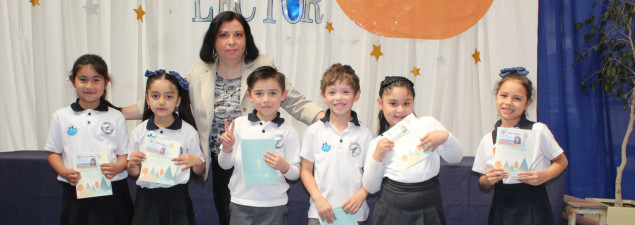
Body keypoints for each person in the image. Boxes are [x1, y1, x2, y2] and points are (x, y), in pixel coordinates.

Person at [121, 11, 323, 225]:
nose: (231, 41)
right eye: (223, 35)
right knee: (230, 219)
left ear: (247, 39)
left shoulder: (264, 64)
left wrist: (327, 118)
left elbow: (294, 100)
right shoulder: (199, 72)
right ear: (213, 40)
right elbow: (166, 97)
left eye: (238, 34)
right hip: (224, 159)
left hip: (259, 158)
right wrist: (117, 112)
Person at [472, 67, 568, 225]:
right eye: (504, 95)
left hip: (534, 205)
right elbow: (482, 181)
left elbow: (561, 161)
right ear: (496, 96)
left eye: (517, 98)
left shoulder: (538, 130)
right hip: (501, 207)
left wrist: (543, 176)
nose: (508, 102)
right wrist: (487, 180)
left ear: (527, 103)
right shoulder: (487, 139)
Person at [45, 54, 133, 225]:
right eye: (83, 79)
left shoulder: (116, 116)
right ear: (73, 81)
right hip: (76, 187)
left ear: (106, 82)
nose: (89, 86)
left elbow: (124, 154)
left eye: (96, 80)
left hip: (111, 187)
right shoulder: (61, 116)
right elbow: (53, 152)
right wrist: (64, 172)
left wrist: (117, 167)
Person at [362, 76, 463, 225]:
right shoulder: (378, 143)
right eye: (393, 103)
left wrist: (445, 137)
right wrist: (377, 157)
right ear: (380, 103)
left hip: (429, 206)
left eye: (406, 103)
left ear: (413, 102)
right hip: (390, 211)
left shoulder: (429, 124)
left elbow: (456, 158)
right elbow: (371, 187)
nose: (400, 109)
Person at [217, 66, 301, 225]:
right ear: (249, 96)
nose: (266, 99)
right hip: (241, 202)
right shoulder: (239, 125)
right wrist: (227, 148)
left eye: (273, 93)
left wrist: (284, 166)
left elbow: (295, 174)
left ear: (283, 95)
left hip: (275, 204)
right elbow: (224, 165)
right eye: (259, 93)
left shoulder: (288, 132)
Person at [127, 69, 205, 225]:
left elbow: (200, 170)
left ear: (177, 101)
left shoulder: (188, 132)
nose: (161, 102)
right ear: (147, 100)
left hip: (177, 198)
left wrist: (196, 162)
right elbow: (134, 172)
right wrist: (132, 164)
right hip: (146, 199)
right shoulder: (139, 132)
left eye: (168, 97)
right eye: (155, 96)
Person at [300, 64, 373, 225]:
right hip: (320, 213)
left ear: (357, 95)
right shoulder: (313, 131)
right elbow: (305, 170)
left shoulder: (365, 134)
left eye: (346, 92)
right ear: (323, 96)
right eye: (332, 92)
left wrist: (361, 195)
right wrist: (318, 199)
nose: (339, 97)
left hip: (355, 213)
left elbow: (372, 174)